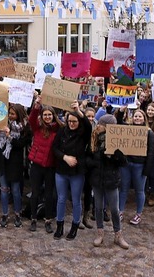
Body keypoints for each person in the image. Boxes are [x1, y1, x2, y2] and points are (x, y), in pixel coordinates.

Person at [86, 114, 129, 249]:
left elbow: (123, 162)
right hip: (97, 178)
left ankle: (118, 234)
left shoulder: (117, 141)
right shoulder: (94, 139)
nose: (99, 126)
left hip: (111, 179)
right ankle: (100, 233)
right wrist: (95, 161)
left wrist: (115, 155)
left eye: (102, 125)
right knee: (98, 207)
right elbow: (88, 158)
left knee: (115, 209)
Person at [51, 101, 92, 240]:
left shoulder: (83, 134)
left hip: (77, 172)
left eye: (74, 121)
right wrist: (64, 157)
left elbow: (88, 126)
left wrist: (79, 111)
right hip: (62, 170)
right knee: (61, 199)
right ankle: (60, 225)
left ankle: (75, 226)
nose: (72, 124)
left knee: (76, 200)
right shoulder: (62, 131)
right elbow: (54, 148)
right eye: (69, 121)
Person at [27, 99, 63, 233]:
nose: (47, 117)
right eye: (45, 115)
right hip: (36, 165)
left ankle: (48, 220)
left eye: (49, 115)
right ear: (41, 116)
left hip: (50, 166)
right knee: (35, 193)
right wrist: (36, 105)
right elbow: (31, 119)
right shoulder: (37, 128)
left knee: (49, 195)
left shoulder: (58, 129)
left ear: (53, 116)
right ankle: (33, 219)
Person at [119, 109, 154, 225]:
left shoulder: (149, 133)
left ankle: (138, 214)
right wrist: (121, 111)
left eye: (140, 117)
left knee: (139, 191)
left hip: (140, 166)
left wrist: (147, 170)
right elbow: (118, 122)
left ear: (144, 118)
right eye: (135, 116)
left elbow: (151, 153)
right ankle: (120, 211)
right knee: (123, 189)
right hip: (126, 164)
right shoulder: (128, 129)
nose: (137, 118)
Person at [0, 104, 30, 228]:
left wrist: (9, 136)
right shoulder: (3, 124)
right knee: (4, 190)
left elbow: (21, 144)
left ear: (18, 114)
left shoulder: (24, 128)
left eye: (13, 114)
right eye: (9, 113)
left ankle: (17, 214)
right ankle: (5, 214)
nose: (10, 116)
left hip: (15, 163)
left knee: (16, 191)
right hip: (3, 161)